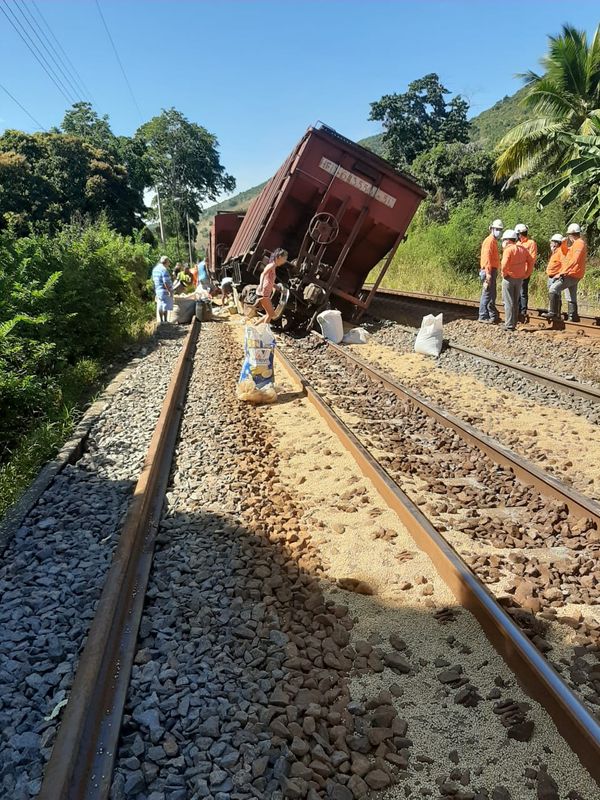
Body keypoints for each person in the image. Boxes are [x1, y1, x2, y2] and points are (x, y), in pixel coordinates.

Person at [544, 223, 587, 322]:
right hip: (574, 273)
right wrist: (563, 243)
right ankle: (573, 316)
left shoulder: (579, 243)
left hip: (571, 273)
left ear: (571, 235)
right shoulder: (576, 244)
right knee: (571, 296)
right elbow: (566, 251)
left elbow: (575, 260)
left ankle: (553, 312)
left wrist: (564, 271)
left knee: (553, 289)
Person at [500, 229, 534, 332]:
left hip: (509, 279)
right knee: (515, 302)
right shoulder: (523, 249)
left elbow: (504, 264)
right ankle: (513, 324)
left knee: (508, 302)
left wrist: (504, 274)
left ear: (508, 240)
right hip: (519, 279)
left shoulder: (508, 250)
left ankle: (509, 325)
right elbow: (531, 261)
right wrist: (526, 274)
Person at [478, 219, 503, 323]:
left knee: (491, 294)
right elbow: (487, 259)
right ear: (491, 229)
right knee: (487, 294)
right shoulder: (489, 241)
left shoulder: (493, 241)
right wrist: (488, 273)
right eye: (497, 229)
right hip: (488, 271)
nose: (499, 231)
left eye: (500, 229)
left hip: (492, 270)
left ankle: (492, 315)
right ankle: (483, 316)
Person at [256, 248, 288, 324]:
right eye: (284, 258)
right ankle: (264, 331)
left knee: (270, 314)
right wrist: (261, 285)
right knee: (270, 314)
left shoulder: (274, 266)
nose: (285, 261)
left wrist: (277, 288)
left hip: (266, 293)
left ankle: (256, 325)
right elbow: (262, 274)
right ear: (279, 257)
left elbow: (270, 281)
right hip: (263, 293)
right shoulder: (271, 265)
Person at [515, 224, 537, 319]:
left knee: (523, 291)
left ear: (519, 234)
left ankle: (523, 311)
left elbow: (532, 259)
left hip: (524, 272)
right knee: (517, 292)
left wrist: (527, 272)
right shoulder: (517, 244)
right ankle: (517, 309)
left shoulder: (531, 243)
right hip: (516, 272)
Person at [152, 255, 174, 323]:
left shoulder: (155, 269)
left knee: (160, 304)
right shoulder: (164, 269)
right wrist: (169, 291)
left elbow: (154, 280)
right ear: (166, 262)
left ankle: (161, 321)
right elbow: (165, 282)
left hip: (158, 289)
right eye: (168, 262)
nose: (169, 264)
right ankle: (165, 320)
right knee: (165, 305)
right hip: (164, 290)